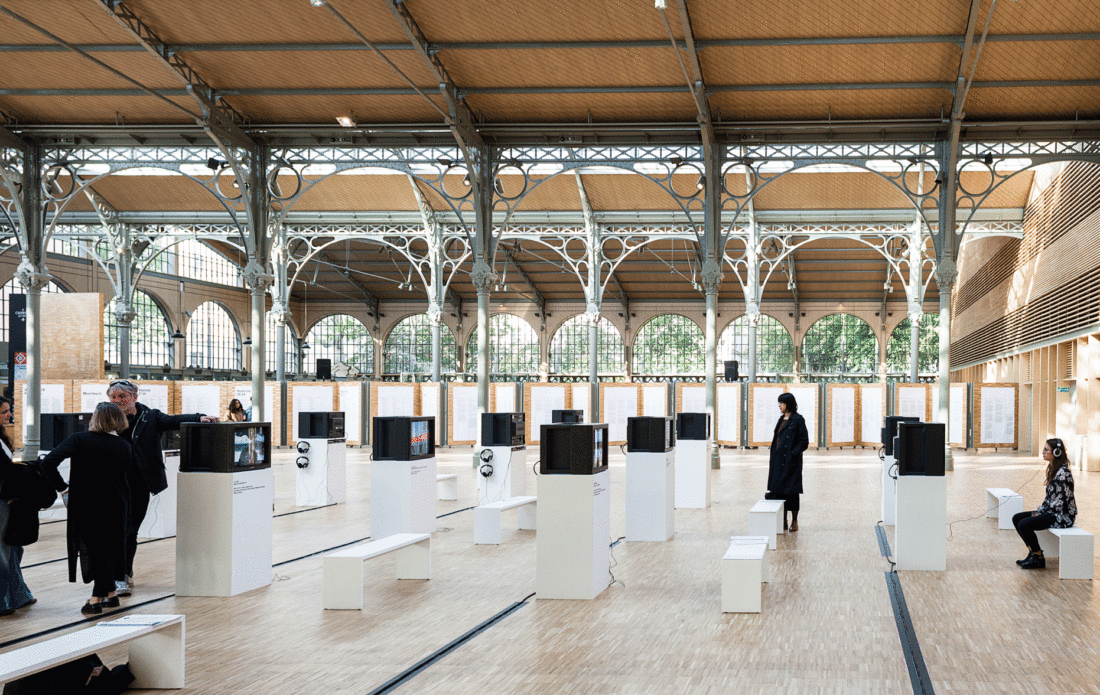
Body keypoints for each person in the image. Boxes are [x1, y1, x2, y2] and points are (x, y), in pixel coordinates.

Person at [107, 379, 217, 596]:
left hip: (139, 484)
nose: (118, 401)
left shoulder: (150, 416)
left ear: (134, 397)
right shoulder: (106, 418)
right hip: (112, 482)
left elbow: (173, 420)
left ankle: (123, 575)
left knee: (130, 530)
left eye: (123, 397)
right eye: (114, 397)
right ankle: (116, 573)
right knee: (115, 530)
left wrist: (199, 418)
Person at [39, 402, 132, 615]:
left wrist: (63, 488)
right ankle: (110, 594)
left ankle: (95, 599)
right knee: (109, 548)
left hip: (87, 503)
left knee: (97, 550)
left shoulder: (79, 440)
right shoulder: (123, 445)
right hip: (118, 503)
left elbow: (48, 463)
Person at [1012, 438, 1076, 570]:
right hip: (1051, 512)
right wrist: (1041, 510)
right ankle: (1033, 553)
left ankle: (1038, 558)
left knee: (1024, 524)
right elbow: (1050, 499)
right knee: (1017, 518)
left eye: (1046, 450)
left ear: (1056, 452)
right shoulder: (1055, 470)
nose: (1043, 452)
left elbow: (1060, 503)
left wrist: (1041, 512)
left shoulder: (1064, 474)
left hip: (1062, 516)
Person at [0, 396, 36, 616]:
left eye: (8, 411)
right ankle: (5, 600)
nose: (9, 415)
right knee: (4, 550)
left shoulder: (3, 438)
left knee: (13, 547)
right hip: (2, 500)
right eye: (4, 412)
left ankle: (18, 594)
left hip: (7, 500)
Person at [767, 392, 810, 533]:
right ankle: (783, 520)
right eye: (779, 403)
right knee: (779, 492)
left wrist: (793, 453)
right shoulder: (781, 419)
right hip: (778, 461)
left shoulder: (798, 419)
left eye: (782, 403)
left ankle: (795, 521)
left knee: (792, 492)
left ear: (789, 404)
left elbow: (804, 441)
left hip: (791, 462)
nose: (779, 405)